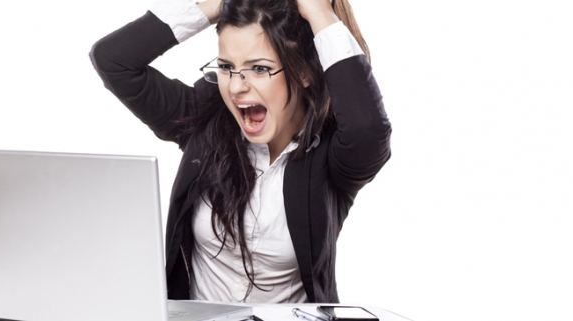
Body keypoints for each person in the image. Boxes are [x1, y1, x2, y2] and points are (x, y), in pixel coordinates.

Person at [90, 0, 391, 303]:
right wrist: (218, 5)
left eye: (259, 69)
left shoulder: (331, 155)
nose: (235, 88)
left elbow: (369, 130)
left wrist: (318, 12)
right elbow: (114, 60)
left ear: (303, 72)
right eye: (226, 67)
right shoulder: (204, 119)